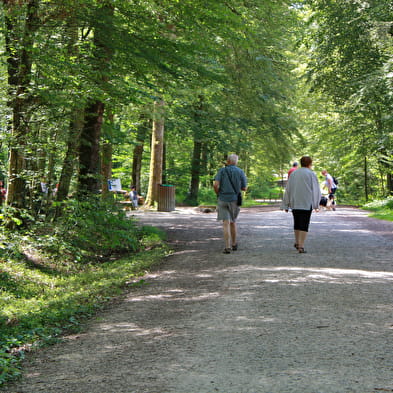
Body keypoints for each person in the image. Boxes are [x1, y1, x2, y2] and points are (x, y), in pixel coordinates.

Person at [281, 156, 321, 253]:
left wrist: (286, 204)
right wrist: (316, 205)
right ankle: (301, 245)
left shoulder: (294, 173)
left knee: (297, 223)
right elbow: (316, 190)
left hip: (295, 202)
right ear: (310, 164)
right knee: (304, 224)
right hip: (307, 203)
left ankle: (297, 242)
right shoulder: (311, 174)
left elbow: (288, 189)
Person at [214, 154, 247, 254]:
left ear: (228, 161)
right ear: (236, 162)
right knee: (233, 222)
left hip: (223, 199)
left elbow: (216, 185)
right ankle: (234, 244)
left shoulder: (222, 171)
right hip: (234, 199)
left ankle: (227, 246)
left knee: (225, 223)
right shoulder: (240, 171)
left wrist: (218, 193)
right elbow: (244, 188)